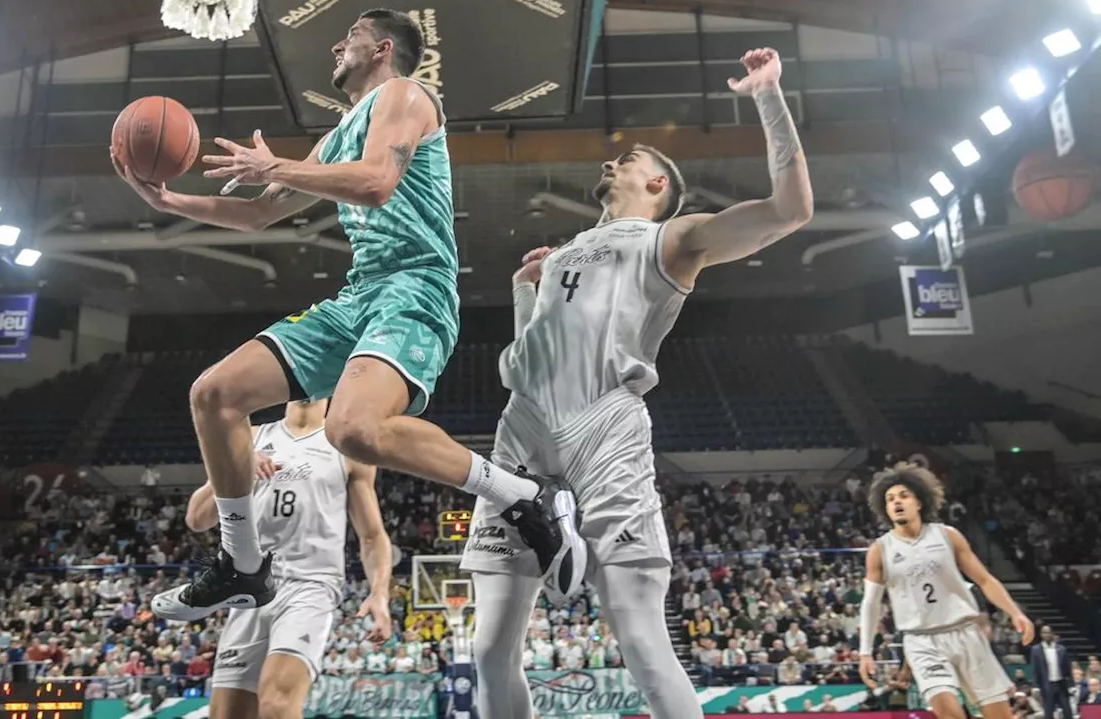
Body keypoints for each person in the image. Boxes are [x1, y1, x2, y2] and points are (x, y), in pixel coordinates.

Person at [116, 8, 583, 619]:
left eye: (352, 37)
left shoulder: (407, 94)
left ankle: (525, 496)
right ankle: (243, 564)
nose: (338, 45)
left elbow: (376, 182)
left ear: (383, 48)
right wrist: (167, 197)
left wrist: (275, 165)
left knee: (351, 430)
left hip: (415, 287)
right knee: (215, 394)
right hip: (359, 295)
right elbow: (260, 214)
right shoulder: (338, 134)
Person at [459, 48, 815, 719]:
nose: (611, 162)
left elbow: (791, 207)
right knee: (486, 649)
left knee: (643, 641)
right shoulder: (561, 252)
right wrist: (522, 294)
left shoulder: (672, 239)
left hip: (605, 427)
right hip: (525, 428)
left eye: (631, 158)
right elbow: (529, 351)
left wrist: (767, 95)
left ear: (658, 185)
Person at [176, 400, 392, 719]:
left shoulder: (346, 446)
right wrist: (238, 467)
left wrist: (380, 594)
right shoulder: (249, 437)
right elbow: (197, 517)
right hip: (250, 588)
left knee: (277, 705)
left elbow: (373, 535)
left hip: (310, 585)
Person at [858, 462, 1036, 719]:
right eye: (890, 499)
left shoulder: (947, 536)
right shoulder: (880, 550)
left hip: (965, 632)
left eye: (903, 496)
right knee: (948, 712)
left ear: (919, 502)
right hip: (921, 640)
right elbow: (871, 603)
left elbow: (984, 580)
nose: (896, 502)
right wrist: (865, 652)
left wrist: (1014, 612)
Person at [1031, 626, 1074, 719]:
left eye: (1048, 632)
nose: (1046, 634)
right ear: (1041, 635)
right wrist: (1035, 686)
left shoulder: (1061, 649)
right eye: (1044, 632)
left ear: (1052, 634)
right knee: (1048, 711)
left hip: (1061, 683)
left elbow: (1068, 669)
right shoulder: (1036, 650)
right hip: (1047, 685)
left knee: (1067, 710)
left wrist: (1071, 685)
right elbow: (1035, 669)